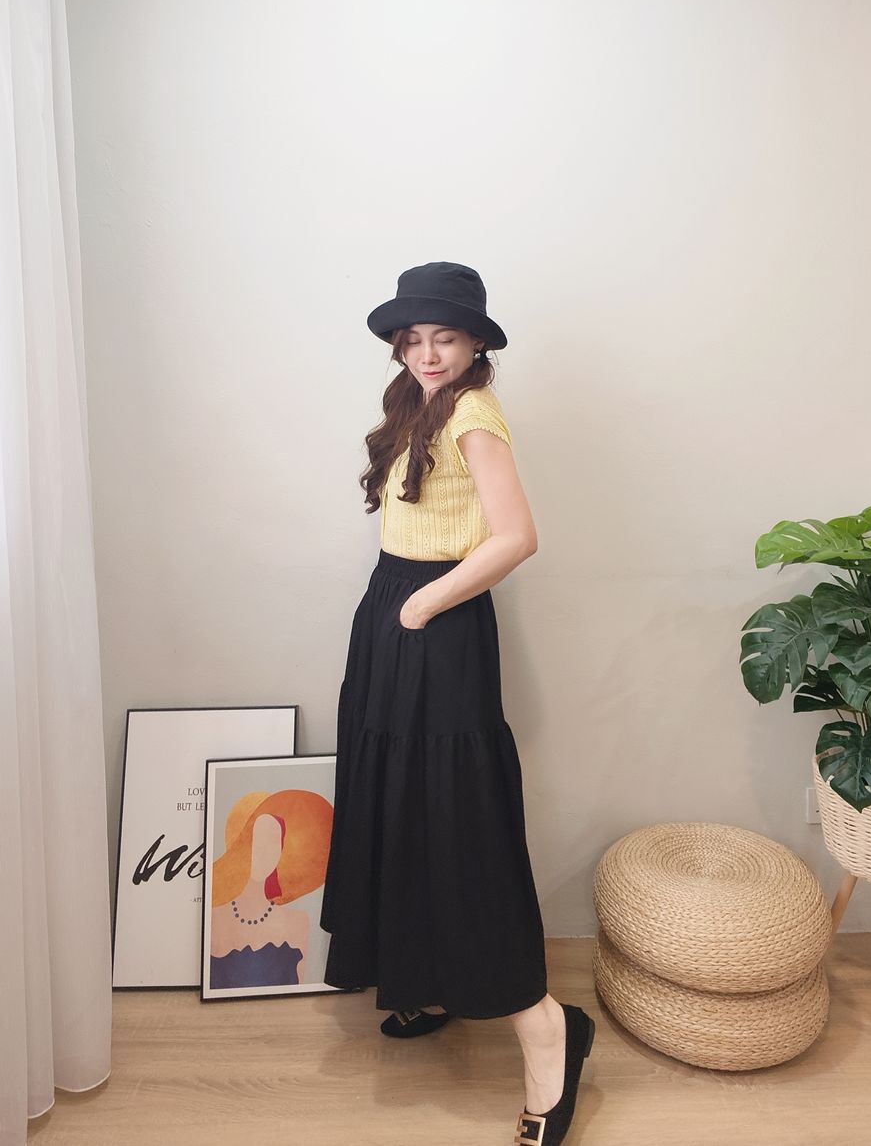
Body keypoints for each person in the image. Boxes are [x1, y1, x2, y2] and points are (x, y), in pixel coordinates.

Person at [319, 262, 594, 1145]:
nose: (428, 351)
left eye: (445, 336)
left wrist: (422, 606)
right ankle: (425, 976)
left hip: (436, 622)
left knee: (457, 817)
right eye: (415, 337)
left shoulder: (475, 411)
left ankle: (548, 1032)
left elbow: (517, 535)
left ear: (476, 340)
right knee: (402, 803)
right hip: (395, 611)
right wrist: (397, 609)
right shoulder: (416, 399)